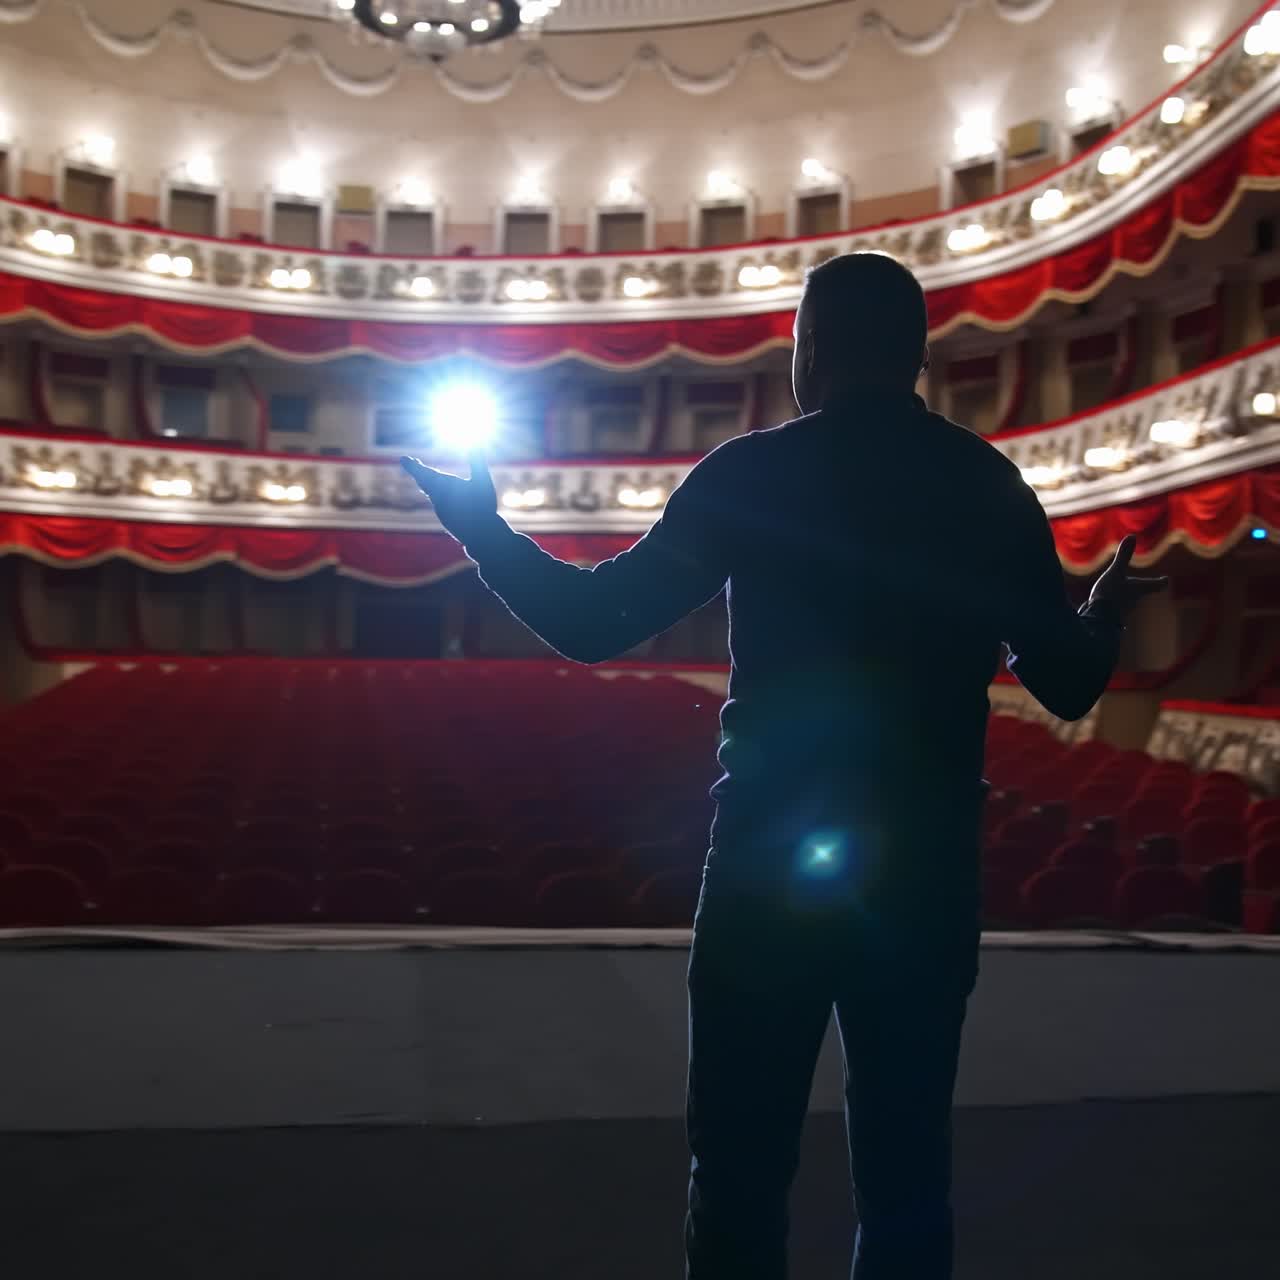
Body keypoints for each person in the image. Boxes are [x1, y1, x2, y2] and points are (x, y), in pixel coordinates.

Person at [401, 251, 1167, 1279]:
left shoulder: (751, 473)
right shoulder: (982, 482)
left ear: (808, 347)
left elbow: (593, 621)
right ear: (916, 355)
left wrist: (482, 530)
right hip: (922, 868)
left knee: (736, 1169)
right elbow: (1068, 684)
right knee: (904, 1175)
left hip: (764, 861)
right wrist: (1102, 611)